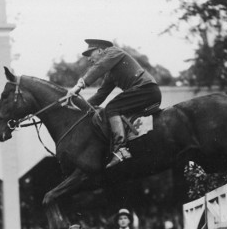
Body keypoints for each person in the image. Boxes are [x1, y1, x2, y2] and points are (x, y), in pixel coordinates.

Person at [66, 39, 161, 168]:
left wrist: (79, 85)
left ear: (100, 50)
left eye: (90, 54)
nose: (89, 59)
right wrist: (76, 105)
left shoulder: (114, 52)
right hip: (145, 92)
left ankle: (120, 149)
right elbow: (100, 95)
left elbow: (100, 67)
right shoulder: (110, 73)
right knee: (112, 107)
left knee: (111, 108)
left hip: (146, 90)